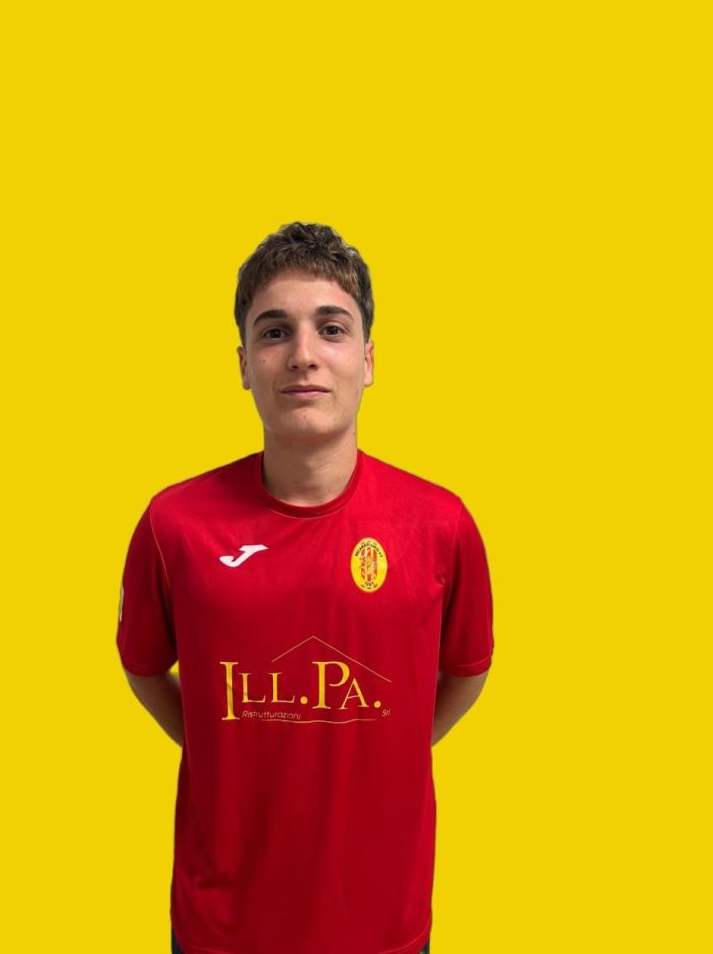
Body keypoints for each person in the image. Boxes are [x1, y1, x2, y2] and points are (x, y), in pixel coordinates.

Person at [116, 221, 494, 954]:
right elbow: (143, 666)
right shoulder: (174, 524)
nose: (303, 355)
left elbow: (467, 670)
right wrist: (226, 743)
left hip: (382, 925)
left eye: (331, 328)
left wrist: (386, 744)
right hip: (222, 927)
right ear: (244, 364)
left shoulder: (440, 524)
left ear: (368, 359)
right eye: (274, 332)